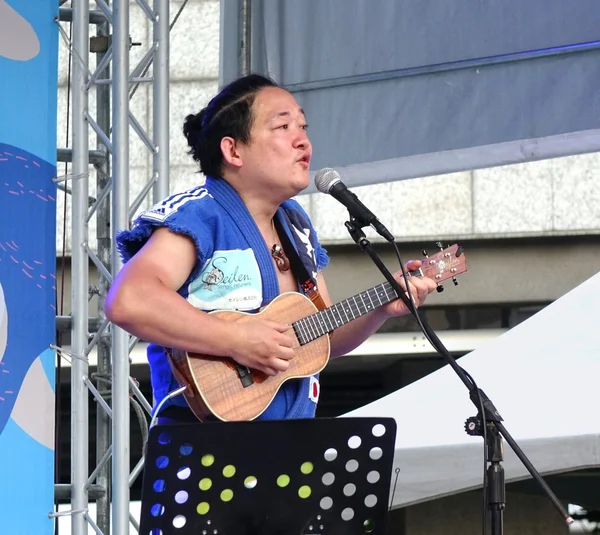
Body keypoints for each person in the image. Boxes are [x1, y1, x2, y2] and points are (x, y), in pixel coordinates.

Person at [104, 73, 437, 424]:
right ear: (233, 150)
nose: (303, 142)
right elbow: (130, 300)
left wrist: (380, 309)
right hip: (206, 451)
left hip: (289, 449)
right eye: (283, 127)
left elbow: (318, 340)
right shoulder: (198, 216)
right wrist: (234, 339)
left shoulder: (295, 225)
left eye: (304, 127)